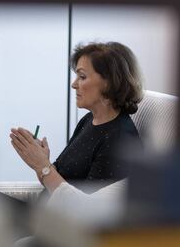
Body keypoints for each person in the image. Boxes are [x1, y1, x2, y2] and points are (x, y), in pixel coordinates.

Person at [10, 41, 143, 198]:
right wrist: (40, 161)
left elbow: (85, 210)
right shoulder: (89, 120)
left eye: (82, 76)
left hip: (59, 222)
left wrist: (43, 166)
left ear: (109, 82)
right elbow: (54, 181)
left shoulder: (120, 140)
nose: (74, 84)